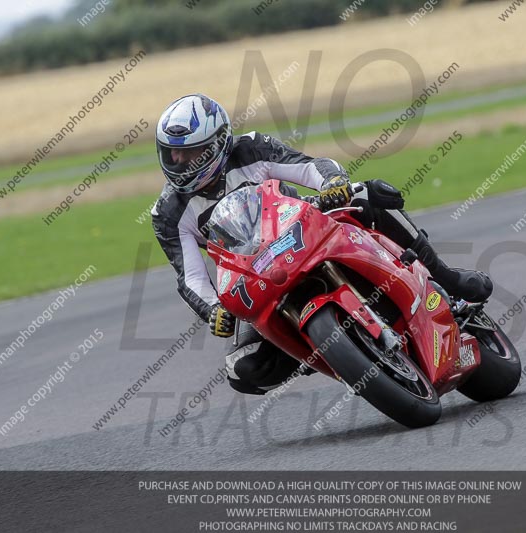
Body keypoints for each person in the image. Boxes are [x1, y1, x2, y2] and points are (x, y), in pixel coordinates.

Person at [151, 94, 493, 395]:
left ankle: (447, 279)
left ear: (219, 143)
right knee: (244, 370)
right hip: (254, 274)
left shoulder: (250, 148)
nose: (180, 164)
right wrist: (213, 309)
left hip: (299, 230)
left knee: (367, 194)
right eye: (172, 155)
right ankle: (325, 350)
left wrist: (331, 181)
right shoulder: (168, 214)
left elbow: (307, 167)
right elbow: (190, 276)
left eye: (191, 153)